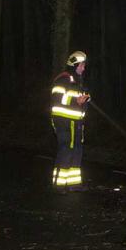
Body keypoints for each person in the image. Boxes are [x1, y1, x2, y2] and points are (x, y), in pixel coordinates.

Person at [50, 51, 90, 193]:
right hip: (64, 122)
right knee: (66, 150)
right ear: (75, 65)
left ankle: (73, 183)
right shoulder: (63, 79)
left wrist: (85, 100)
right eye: (82, 65)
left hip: (76, 123)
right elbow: (57, 98)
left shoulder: (78, 82)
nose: (83, 68)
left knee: (77, 151)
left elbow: (80, 101)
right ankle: (59, 184)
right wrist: (76, 101)